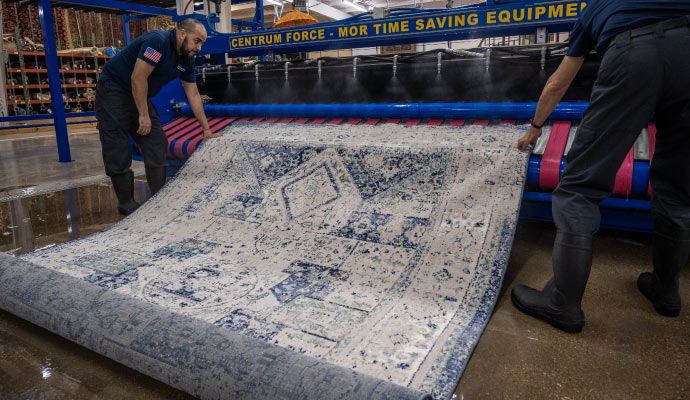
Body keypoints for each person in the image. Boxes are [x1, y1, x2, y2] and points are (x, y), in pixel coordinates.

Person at [511, 1, 690, 333]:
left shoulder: (597, 7)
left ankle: (562, 302)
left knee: (578, 187)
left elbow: (557, 84)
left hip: (634, 58)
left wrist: (536, 126)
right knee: (679, 185)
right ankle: (666, 290)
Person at [95, 18, 221, 215]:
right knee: (117, 147)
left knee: (156, 141)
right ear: (182, 34)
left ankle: (158, 199)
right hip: (114, 90)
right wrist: (143, 114)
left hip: (139, 94)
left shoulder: (186, 59)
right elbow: (138, 78)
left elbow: (193, 94)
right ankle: (126, 204)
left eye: (202, 43)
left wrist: (206, 129)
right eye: (197, 40)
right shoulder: (158, 42)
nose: (199, 47)